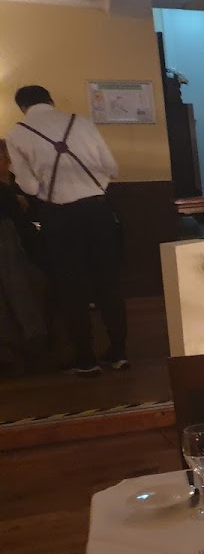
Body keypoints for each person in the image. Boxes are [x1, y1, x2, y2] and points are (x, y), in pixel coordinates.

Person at [5, 86, 127, 376]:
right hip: (99, 212)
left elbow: (29, 186)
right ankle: (119, 353)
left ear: (22, 107)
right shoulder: (81, 122)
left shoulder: (17, 133)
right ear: (51, 100)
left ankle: (85, 359)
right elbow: (112, 168)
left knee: (71, 288)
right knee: (108, 284)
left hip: (60, 217)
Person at [0, 138, 48, 372]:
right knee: (19, 293)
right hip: (13, 246)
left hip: (21, 245)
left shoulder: (15, 185)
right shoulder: (8, 191)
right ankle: (27, 346)